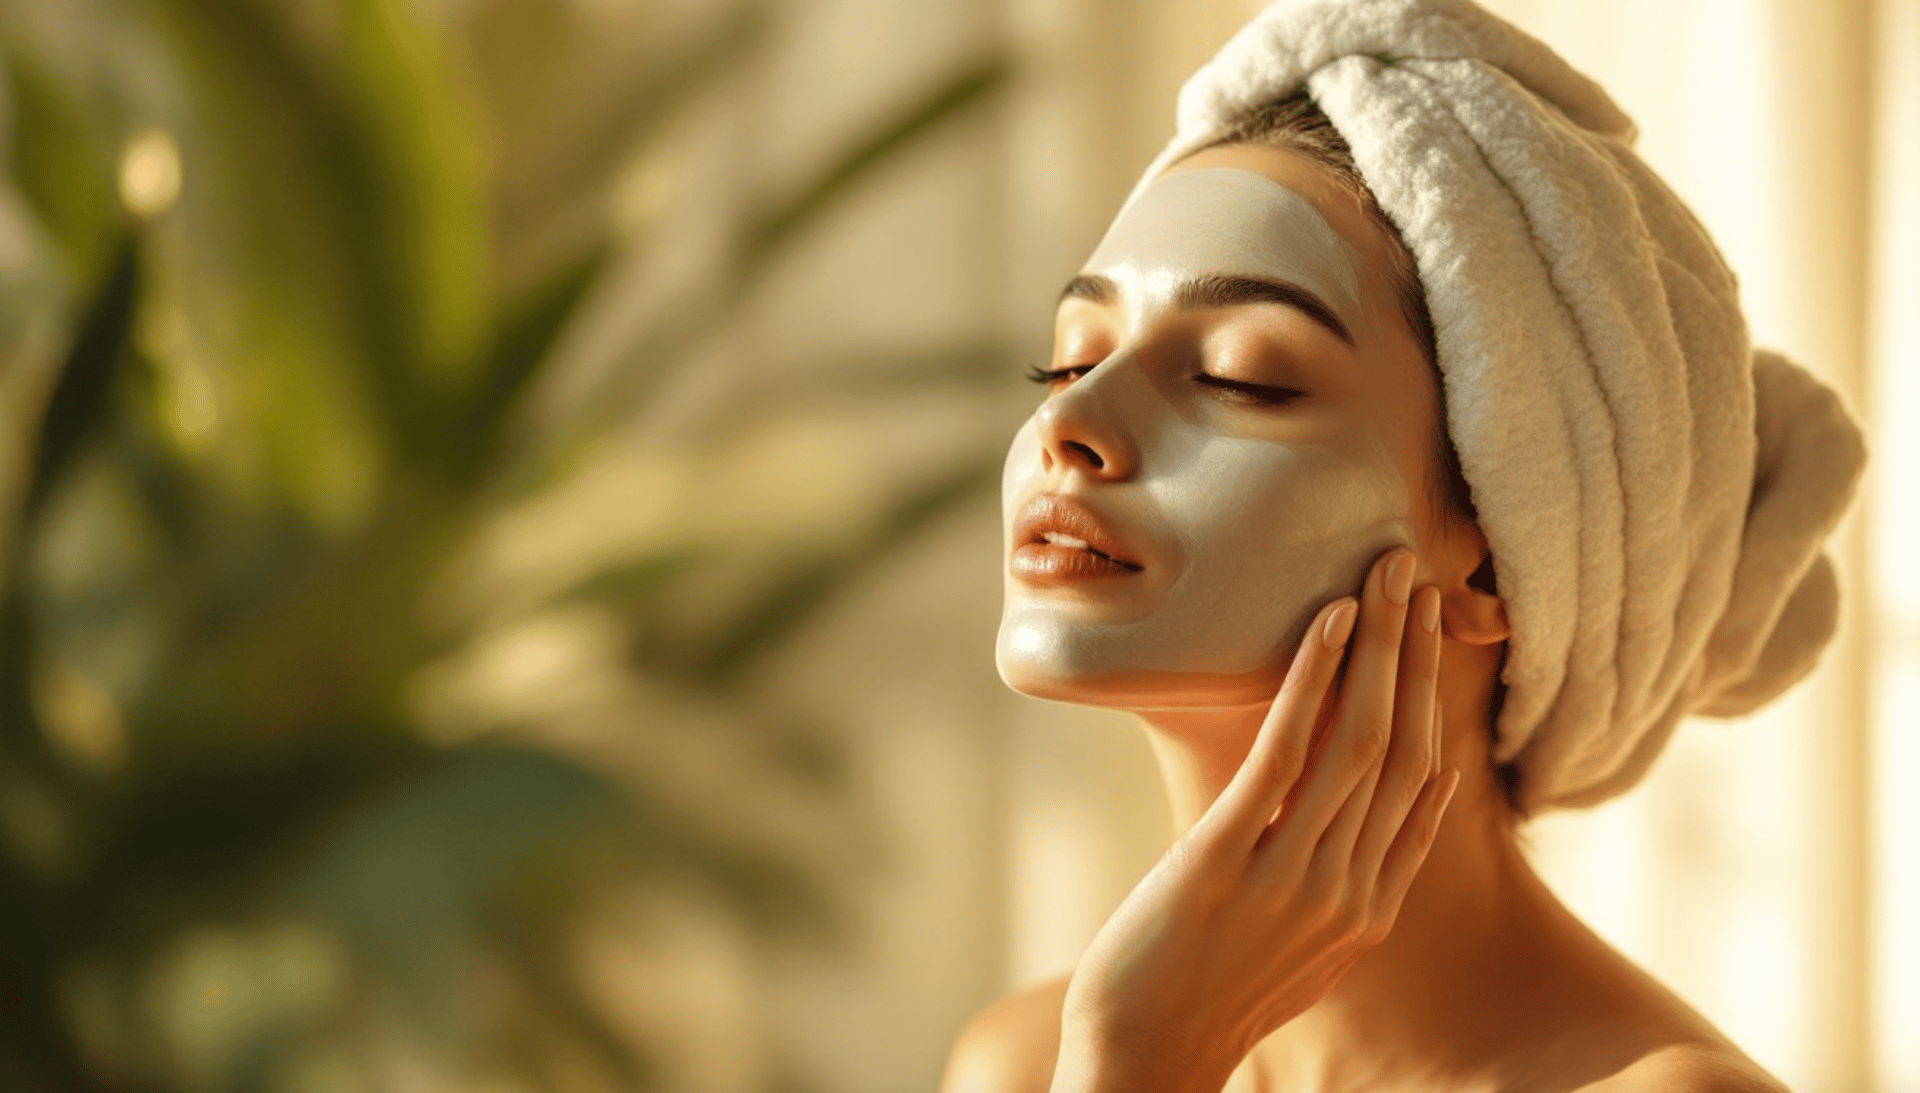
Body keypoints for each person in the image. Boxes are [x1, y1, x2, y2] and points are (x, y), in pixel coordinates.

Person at [939, 1, 1866, 1090]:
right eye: (1068, 361)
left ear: (1494, 554)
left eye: (1241, 375)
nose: (1066, 426)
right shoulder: (1029, 1059)